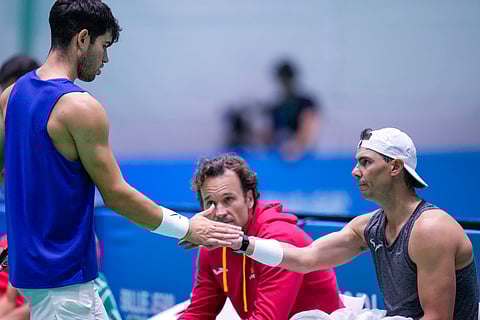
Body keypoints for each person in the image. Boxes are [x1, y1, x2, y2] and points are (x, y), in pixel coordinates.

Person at [0, 1, 242, 319]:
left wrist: (22, 236)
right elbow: (115, 194)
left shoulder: (11, 95)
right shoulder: (80, 109)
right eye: (105, 45)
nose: (106, 59)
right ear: (82, 39)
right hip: (66, 290)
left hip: (40, 280)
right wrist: (186, 228)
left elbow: (12, 176)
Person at [231, 127, 479, 319]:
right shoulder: (367, 227)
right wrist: (241, 243)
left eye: (366, 162)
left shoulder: (431, 229)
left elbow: (437, 318)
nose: (355, 171)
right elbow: (305, 259)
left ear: (395, 167)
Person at [178, 153, 344, 320]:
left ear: (249, 199)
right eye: (211, 203)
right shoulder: (211, 246)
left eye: (228, 199)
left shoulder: (278, 240)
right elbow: (199, 313)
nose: (219, 212)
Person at [266, 59, 321, 159]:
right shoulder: (277, 107)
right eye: (282, 80)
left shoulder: (306, 103)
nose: (285, 83)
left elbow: (308, 130)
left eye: (287, 79)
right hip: (279, 155)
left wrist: (296, 144)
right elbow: (270, 135)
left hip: (302, 156)